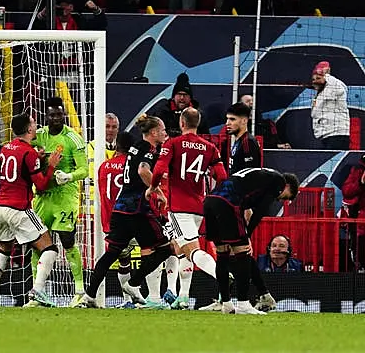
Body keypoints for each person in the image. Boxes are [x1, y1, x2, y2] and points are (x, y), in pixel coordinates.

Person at [79, 115, 172, 308]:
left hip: (120, 208)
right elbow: (143, 171)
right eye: (162, 130)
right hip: (137, 210)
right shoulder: (150, 149)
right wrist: (157, 192)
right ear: (153, 133)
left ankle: (89, 295)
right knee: (164, 249)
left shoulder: (135, 146)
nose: (165, 133)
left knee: (112, 253)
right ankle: (134, 284)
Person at [151, 107, 228, 309]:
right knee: (184, 248)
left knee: (190, 250)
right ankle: (183, 297)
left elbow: (158, 169)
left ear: (182, 123)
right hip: (199, 208)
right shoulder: (210, 147)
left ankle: (221, 275)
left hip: (177, 208)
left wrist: (152, 187)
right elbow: (222, 178)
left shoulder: (172, 144)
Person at [0, 114, 62, 307]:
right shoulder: (29, 153)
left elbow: (16, 168)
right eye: (34, 125)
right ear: (28, 129)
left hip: (0, 207)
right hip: (19, 208)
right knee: (50, 249)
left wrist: (39, 159)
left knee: (4, 250)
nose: (36, 128)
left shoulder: (6, 148)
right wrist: (50, 166)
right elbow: (42, 185)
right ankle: (37, 291)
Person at [203, 168, 299, 314]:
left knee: (222, 253)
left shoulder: (262, 175)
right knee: (243, 253)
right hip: (228, 203)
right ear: (287, 186)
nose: (280, 200)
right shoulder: (278, 181)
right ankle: (243, 304)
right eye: (285, 197)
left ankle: (227, 304)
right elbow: (261, 209)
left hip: (210, 201)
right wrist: (248, 236)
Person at [30, 97, 89, 307]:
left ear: (64, 114)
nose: (56, 118)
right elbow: (20, 150)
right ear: (46, 117)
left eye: (59, 114)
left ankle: (79, 291)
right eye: (52, 115)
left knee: (67, 240)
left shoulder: (73, 138)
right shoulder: (39, 136)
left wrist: (69, 176)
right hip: (43, 196)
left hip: (65, 196)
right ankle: (38, 293)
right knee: (37, 244)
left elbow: (85, 170)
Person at [97, 131, 138, 307]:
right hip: (131, 219)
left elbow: (103, 197)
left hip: (110, 223)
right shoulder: (133, 166)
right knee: (157, 251)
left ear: (116, 145)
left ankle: (127, 300)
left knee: (123, 260)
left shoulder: (104, 166)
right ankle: (155, 296)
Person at [154, 73, 209, 138]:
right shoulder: (162, 112)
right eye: (179, 94)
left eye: (185, 94)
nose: (182, 98)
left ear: (190, 98)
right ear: (173, 97)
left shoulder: (199, 114)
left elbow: (205, 137)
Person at [310, 61, 350, 150]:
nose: (315, 81)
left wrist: (326, 74)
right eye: (313, 79)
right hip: (325, 136)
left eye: (318, 78)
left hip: (337, 135)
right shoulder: (320, 94)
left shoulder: (335, 87)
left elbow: (338, 87)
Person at [225, 102, 261, 174]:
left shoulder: (248, 142)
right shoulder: (239, 141)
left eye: (232, 119)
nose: (227, 123)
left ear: (244, 121)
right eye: (227, 119)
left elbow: (250, 174)